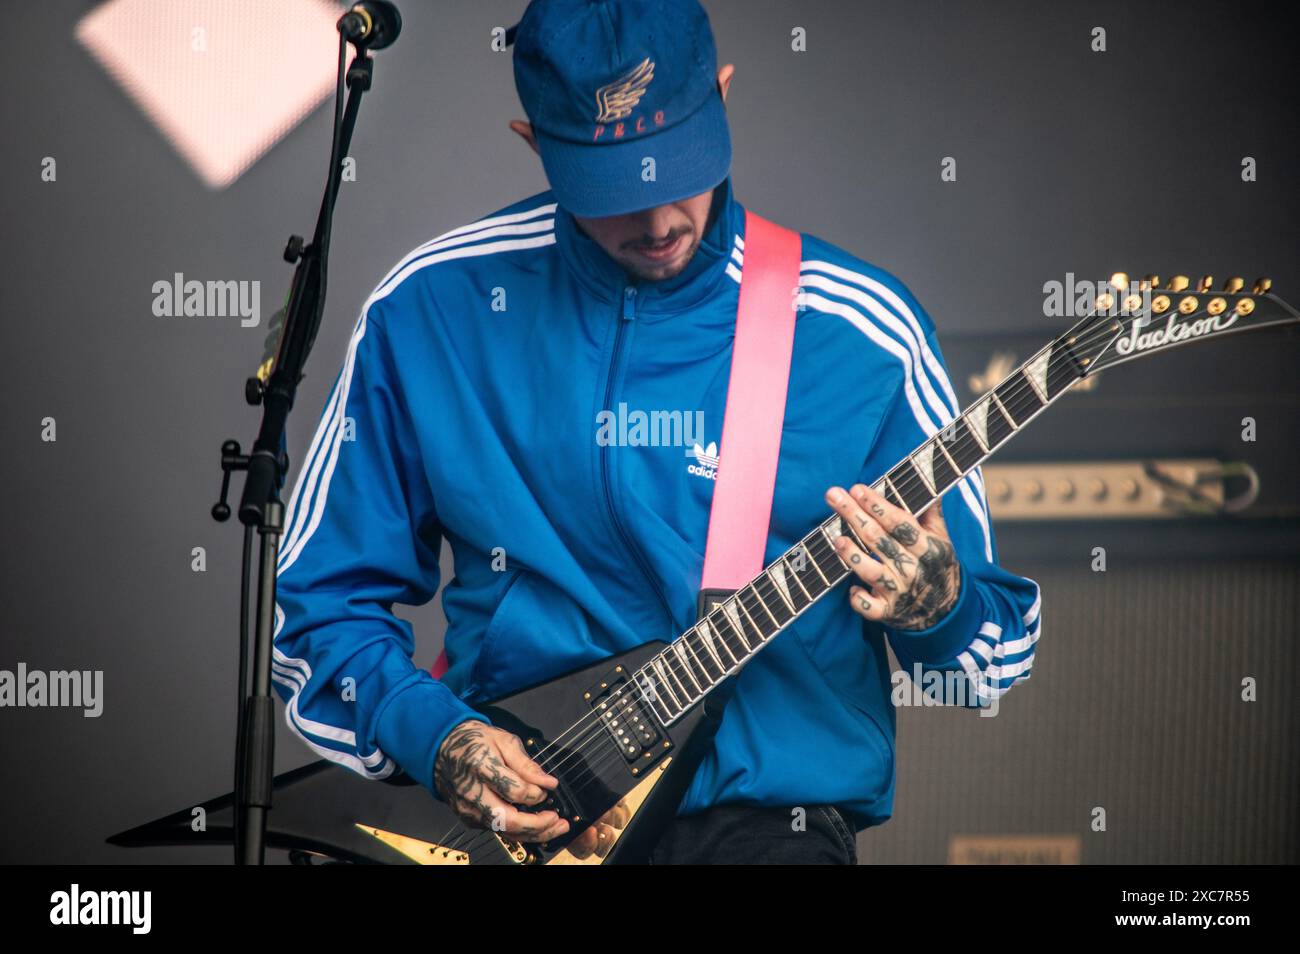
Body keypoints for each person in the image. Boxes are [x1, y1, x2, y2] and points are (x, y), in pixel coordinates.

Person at [272, 0, 1042, 864]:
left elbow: (990, 661)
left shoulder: (860, 333)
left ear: (722, 98)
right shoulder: (431, 310)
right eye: (611, 188)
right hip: (516, 834)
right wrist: (440, 740)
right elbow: (319, 614)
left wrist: (940, 608)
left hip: (768, 826)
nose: (658, 221)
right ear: (536, 143)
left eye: (679, 167)